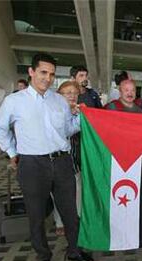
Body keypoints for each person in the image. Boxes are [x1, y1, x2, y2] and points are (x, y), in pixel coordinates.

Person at [0, 53, 93, 261]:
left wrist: (80, 118)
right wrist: (11, 152)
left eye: (52, 74)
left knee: (69, 211)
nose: (47, 78)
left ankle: (75, 249)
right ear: (31, 72)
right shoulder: (14, 101)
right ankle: (43, 257)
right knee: (36, 215)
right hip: (32, 164)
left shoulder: (59, 100)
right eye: (43, 72)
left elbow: (66, 131)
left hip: (62, 161)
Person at [52, 81, 82, 237]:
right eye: (68, 93)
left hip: (76, 161)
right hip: (57, 161)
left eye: (75, 93)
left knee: (77, 192)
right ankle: (60, 222)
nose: (72, 95)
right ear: (59, 95)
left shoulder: (81, 112)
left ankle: (77, 221)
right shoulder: (56, 113)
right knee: (58, 194)